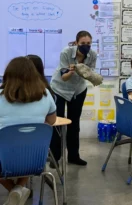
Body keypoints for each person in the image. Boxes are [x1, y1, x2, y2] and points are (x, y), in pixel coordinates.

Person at [0, 57, 56, 205]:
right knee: (28, 145)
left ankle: (15, 191)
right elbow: (51, 122)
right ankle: (18, 189)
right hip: (36, 160)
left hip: (4, 161)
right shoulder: (45, 94)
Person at [50, 30, 97, 167]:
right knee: (57, 123)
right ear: (76, 43)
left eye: (88, 43)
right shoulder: (66, 53)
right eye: (83, 43)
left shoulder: (92, 55)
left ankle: (73, 156)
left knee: (74, 123)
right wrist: (72, 71)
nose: (86, 46)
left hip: (78, 90)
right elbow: (64, 77)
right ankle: (55, 157)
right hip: (59, 89)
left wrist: (88, 74)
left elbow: (90, 74)